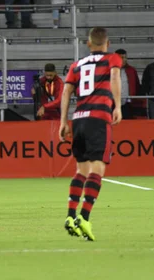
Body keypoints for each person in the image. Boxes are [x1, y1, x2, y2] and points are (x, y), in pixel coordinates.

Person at [59, 27, 122, 241]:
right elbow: (114, 77)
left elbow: (66, 91)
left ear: (88, 44)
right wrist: (118, 106)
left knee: (81, 170)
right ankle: (84, 217)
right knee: (98, 168)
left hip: (79, 119)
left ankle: (70, 216)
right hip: (98, 118)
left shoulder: (76, 65)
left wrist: (63, 121)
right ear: (107, 43)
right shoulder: (112, 59)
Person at [115, 49, 143, 119]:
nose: (124, 60)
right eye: (121, 57)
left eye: (125, 57)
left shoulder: (132, 70)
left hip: (128, 103)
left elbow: (137, 86)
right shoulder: (109, 71)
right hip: (113, 103)